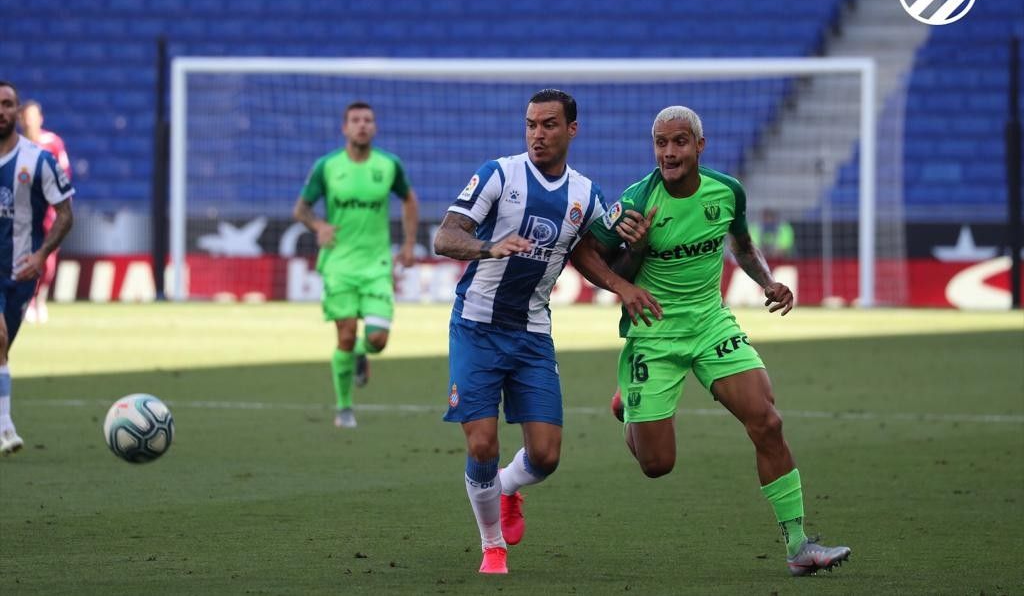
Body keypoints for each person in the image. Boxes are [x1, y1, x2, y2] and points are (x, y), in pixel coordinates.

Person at [571, 105, 851, 577]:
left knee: (767, 421)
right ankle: (630, 409)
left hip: (711, 324)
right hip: (655, 334)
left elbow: (740, 244)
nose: (669, 152)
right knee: (657, 464)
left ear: (700, 146)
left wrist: (766, 282)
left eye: (679, 142)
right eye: (661, 142)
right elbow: (584, 252)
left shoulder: (727, 192)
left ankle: (799, 545)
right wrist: (627, 275)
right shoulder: (637, 200)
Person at [433, 89, 661, 575]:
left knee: (546, 455)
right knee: (481, 444)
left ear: (571, 130)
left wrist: (629, 262)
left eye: (549, 125)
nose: (538, 133)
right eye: (532, 124)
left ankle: (507, 487)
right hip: (476, 326)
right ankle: (492, 545)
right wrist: (488, 246)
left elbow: (599, 258)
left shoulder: (586, 195)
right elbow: (444, 236)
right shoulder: (499, 173)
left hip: (533, 334)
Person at [293, 101, 419, 429]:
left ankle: (363, 353)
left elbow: (408, 199)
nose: (362, 125)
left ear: (374, 128)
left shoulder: (389, 165)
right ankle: (344, 408)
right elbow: (302, 209)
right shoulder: (328, 167)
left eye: (368, 120)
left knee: (377, 339)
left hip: (377, 264)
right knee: (345, 335)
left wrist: (407, 244)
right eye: (355, 120)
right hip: (339, 264)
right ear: (344, 128)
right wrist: (318, 226)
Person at [0, 82, 75, 455]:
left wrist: (43, 253)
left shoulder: (39, 159)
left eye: (8, 104)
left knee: (2, 348)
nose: (2, 110)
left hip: (21, 270)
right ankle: (6, 427)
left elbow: (65, 212)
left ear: (17, 111)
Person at [17, 99, 72, 324]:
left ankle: (39, 299)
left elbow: (63, 175)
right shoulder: (15, 146)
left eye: (33, 116)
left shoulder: (53, 144)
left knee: (47, 261)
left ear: (40, 119)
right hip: (24, 212)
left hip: (49, 210)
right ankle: (28, 302)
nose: (29, 121)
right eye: (26, 117)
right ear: (21, 121)